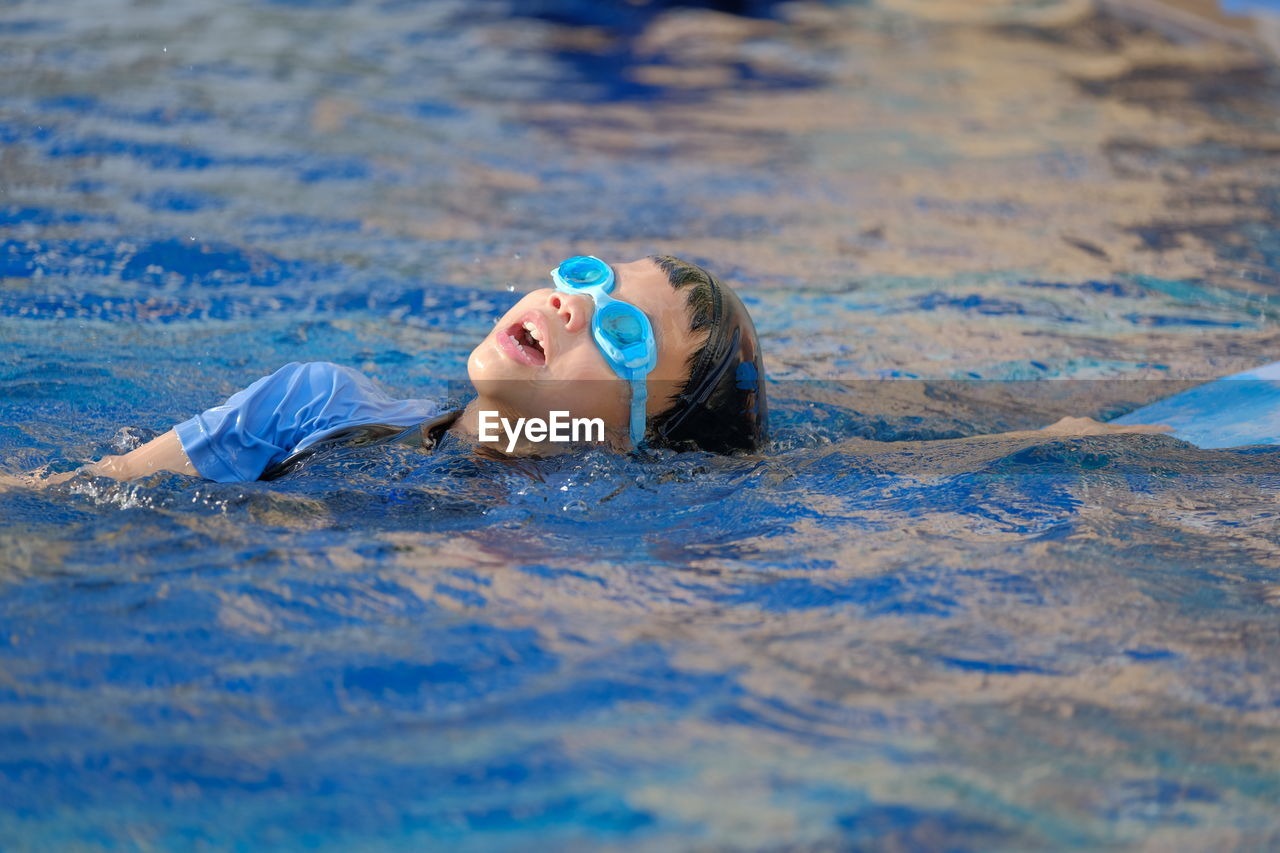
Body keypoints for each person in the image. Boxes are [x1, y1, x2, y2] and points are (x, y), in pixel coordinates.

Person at [60, 254, 771, 484]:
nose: (570, 305)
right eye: (590, 280)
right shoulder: (314, 404)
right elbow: (70, 499)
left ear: (625, 439)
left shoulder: (545, 558)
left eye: (620, 331)